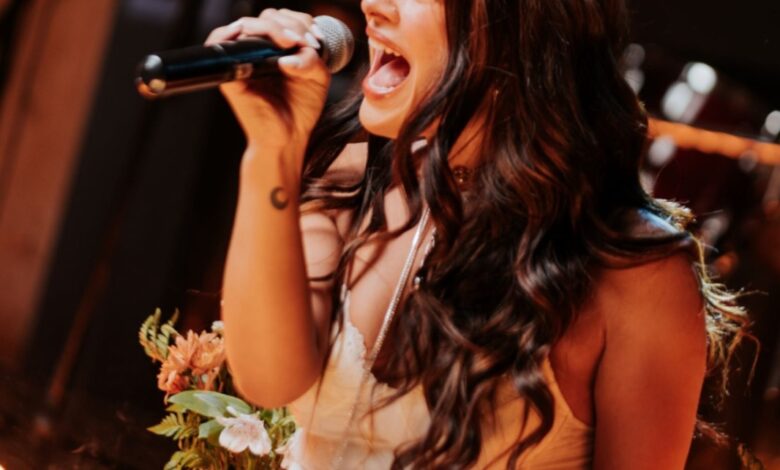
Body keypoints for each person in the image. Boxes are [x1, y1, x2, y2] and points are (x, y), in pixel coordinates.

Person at [207, 0, 748, 468]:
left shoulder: (636, 273)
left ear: (517, 20)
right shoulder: (352, 177)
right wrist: (273, 148)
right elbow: (269, 380)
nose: (372, 6)